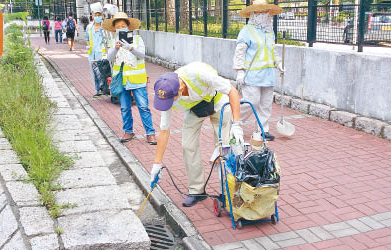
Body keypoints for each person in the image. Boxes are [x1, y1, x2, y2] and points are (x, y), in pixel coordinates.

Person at [150, 62, 244, 207]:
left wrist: (236, 124)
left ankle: (225, 191)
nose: (167, 105)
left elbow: (232, 91)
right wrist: (157, 163)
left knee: (223, 149)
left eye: (171, 100)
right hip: (195, 109)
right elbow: (164, 130)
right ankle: (197, 191)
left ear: (180, 89)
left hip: (218, 103)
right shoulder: (167, 93)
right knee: (188, 145)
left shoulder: (199, 74)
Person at [233, 0, 284, 141]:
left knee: (265, 104)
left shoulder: (269, 32)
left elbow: (272, 50)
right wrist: (239, 71)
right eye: (259, 12)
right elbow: (240, 52)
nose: (262, 15)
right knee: (252, 101)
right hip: (251, 75)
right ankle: (235, 122)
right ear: (253, 14)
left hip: (268, 75)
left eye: (264, 12)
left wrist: (278, 63)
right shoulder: (247, 31)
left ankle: (262, 130)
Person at [103, 12, 157, 145]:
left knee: (143, 107)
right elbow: (108, 58)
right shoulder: (112, 42)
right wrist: (115, 49)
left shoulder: (137, 39)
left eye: (123, 25)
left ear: (128, 27)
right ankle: (128, 131)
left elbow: (142, 55)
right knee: (124, 107)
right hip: (121, 80)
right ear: (115, 29)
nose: (121, 28)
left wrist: (131, 48)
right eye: (118, 26)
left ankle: (150, 133)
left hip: (137, 80)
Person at [86, 3, 106, 97]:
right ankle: (97, 89)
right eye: (95, 15)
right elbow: (87, 39)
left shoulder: (104, 27)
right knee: (94, 72)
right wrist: (88, 46)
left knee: (101, 71)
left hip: (101, 53)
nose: (97, 17)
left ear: (102, 16)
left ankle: (103, 88)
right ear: (92, 16)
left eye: (99, 15)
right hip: (92, 53)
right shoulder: (89, 27)